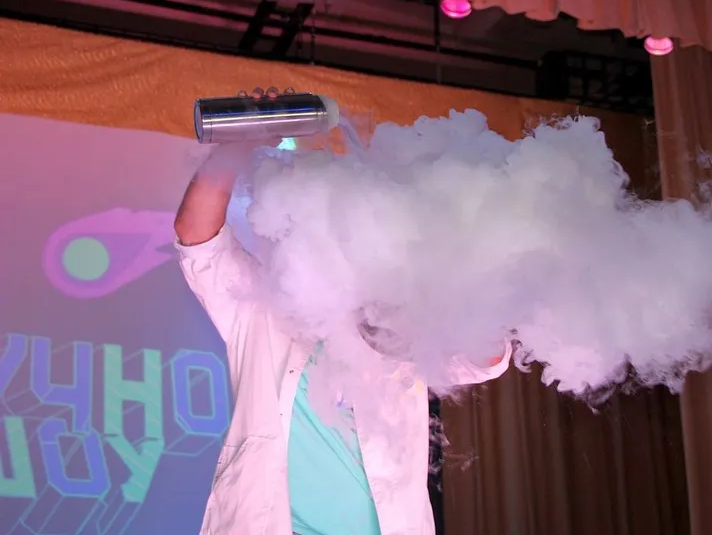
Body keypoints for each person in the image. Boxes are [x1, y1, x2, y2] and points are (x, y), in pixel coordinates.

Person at [174, 140, 511, 535]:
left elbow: (486, 356)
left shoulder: (401, 325)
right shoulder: (261, 306)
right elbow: (197, 238)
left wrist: (462, 274)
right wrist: (237, 146)